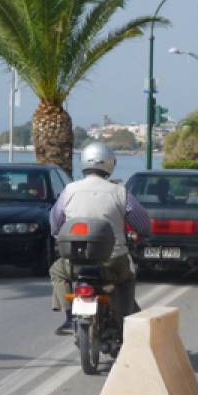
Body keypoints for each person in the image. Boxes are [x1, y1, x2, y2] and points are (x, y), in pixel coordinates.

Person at [49, 142, 151, 334]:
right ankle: (125, 320)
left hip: (75, 261)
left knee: (57, 271)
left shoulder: (69, 191)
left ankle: (69, 317)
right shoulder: (120, 192)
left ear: (83, 162)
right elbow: (142, 223)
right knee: (127, 279)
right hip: (113, 262)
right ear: (110, 163)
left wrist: (59, 236)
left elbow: (55, 222)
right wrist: (143, 235)